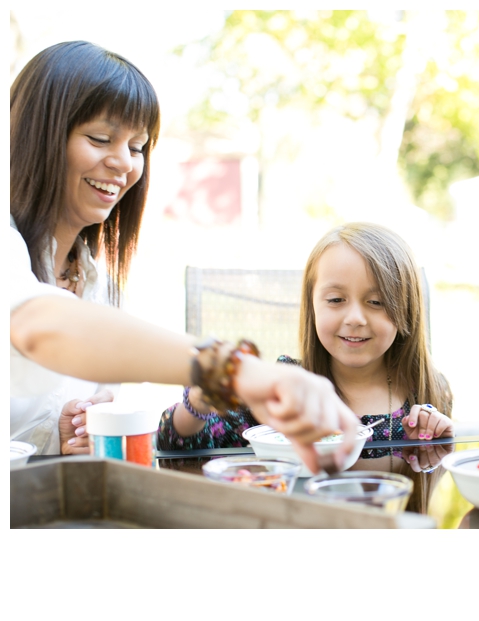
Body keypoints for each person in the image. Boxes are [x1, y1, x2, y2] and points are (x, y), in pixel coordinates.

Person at [10, 41, 358, 472]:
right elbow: (36, 324)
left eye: (137, 147)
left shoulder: (94, 276)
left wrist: (67, 432)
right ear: (36, 134)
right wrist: (233, 370)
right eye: (101, 138)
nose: (124, 163)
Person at [158, 222, 455, 508]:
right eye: (336, 299)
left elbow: (432, 489)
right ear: (312, 305)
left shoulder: (427, 389)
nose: (355, 318)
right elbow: (179, 450)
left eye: (376, 302)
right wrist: (201, 396)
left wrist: (431, 443)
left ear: (408, 307)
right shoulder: (287, 386)